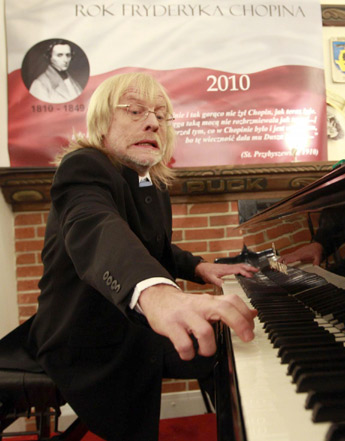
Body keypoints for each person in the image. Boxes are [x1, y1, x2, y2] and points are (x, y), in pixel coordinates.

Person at [25, 72, 259, 441]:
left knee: (234, 345)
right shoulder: (84, 166)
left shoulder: (149, 183)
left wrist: (198, 266)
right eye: (134, 111)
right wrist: (158, 293)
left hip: (131, 324)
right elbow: (97, 227)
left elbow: (155, 247)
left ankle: (247, 426)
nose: (152, 121)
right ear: (102, 123)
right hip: (87, 335)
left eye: (161, 115)